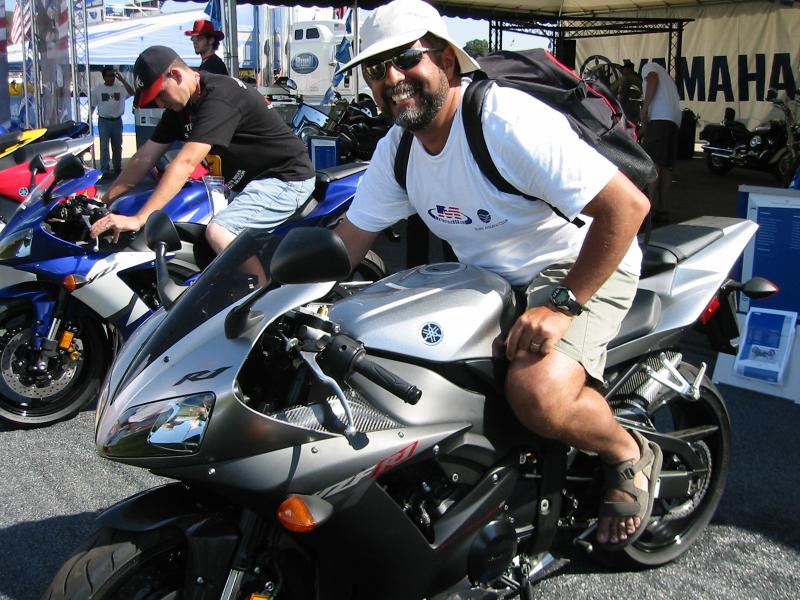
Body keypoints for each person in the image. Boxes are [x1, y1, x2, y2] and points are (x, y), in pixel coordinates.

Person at [333, 0, 657, 549]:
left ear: (445, 61)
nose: (391, 77)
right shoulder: (399, 149)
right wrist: (269, 290)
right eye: (375, 68)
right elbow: (347, 243)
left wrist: (562, 305)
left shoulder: (502, 121)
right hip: (484, 280)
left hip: (578, 262)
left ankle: (626, 451)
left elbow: (627, 208)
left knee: (538, 393)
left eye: (406, 58)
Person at [89, 45, 315, 257]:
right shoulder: (181, 108)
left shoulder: (219, 96)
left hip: (284, 178)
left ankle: (259, 286)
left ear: (176, 75)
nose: (159, 104)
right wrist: (103, 201)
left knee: (219, 232)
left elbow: (185, 163)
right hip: (248, 185)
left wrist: (139, 219)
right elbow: (144, 157)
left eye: (160, 94)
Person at [640, 60, 681, 224]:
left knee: (653, 163)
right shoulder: (668, 79)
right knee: (666, 167)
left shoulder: (649, 67)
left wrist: (645, 108)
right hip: (674, 121)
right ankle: (663, 209)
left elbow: (652, 78)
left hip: (659, 119)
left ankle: (648, 209)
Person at [90, 66, 134, 180]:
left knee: (117, 146)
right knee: (104, 146)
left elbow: (132, 92)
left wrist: (123, 80)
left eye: (113, 75)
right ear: (104, 77)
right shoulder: (98, 89)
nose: (112, 78)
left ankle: (117, 168)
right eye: (109, 76)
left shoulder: (120, 88)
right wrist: (88, 119)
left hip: (117, 121)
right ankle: (105, 170)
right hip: (103, 121)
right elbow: (93, 105)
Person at [612, 59, 642, 124]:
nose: (622, 71)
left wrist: (618, 106)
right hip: (636, 107)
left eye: (624, 69)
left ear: (629, 69)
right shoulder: (638, 79)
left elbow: (621, 93)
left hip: (627, 108)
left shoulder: (626, 79)